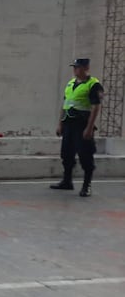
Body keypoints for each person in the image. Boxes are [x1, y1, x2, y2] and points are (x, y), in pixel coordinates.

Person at [51, 58, 103, 197]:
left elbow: (95, 107)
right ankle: (67, 181)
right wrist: (60, 123)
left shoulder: (93, 84)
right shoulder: (70, 83)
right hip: (68, 123)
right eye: (74, 67)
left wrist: (89, 127)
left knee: (85, 155)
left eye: (78, 67)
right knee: (66, 154)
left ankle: (87, 185)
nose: (75, 70)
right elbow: (65, 104)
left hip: (82, 124)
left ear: (86, 68)